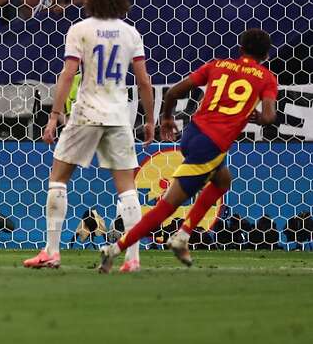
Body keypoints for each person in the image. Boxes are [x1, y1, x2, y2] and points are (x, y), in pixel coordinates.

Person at [99, 29, 278, 272]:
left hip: (192, 134)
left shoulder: (217, 65)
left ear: (240, 49)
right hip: (211, 145)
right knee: (167, 206)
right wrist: (257, 116)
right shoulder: (266, 78)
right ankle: (114, 250)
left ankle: (183, 236)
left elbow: (174, 92)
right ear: (266, 55)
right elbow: (268, 116)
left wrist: (167, 118)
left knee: (222, 181)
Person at [23, 0, 154, 273]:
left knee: (58, 178)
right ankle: (133, 258)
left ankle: (52, 252)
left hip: (86, 114)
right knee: (127, 187)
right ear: (119, 1)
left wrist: (54, 115)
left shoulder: (80, 30)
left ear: (91, 0)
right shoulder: (130, 33)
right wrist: (149, 120)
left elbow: (68, 74)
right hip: (118, 115)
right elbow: (144, 81)